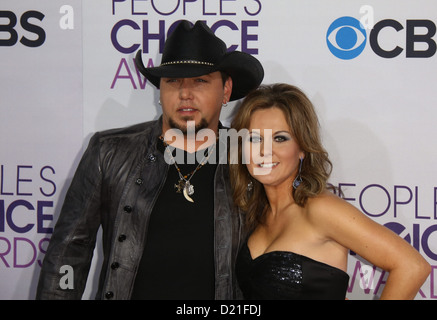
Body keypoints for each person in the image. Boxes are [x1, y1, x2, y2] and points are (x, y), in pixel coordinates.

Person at [36, 20, 263, 300]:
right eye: (173, 81)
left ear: (226, 90)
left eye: (200, 80)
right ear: (160, 90)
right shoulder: (109, 152)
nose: (185, 93)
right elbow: (69, 252)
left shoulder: (250, 157)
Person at [230, 83, 431, 300]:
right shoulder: (256, 213)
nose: (264, 151)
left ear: (302, 149)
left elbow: (412, 266)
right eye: (254, 138)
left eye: (280, 138)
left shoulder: (320, 209)